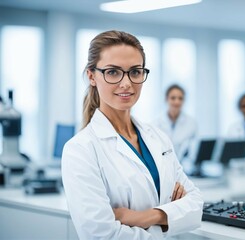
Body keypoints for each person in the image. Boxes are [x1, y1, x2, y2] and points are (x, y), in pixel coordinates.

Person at [61, 30, 203, 239]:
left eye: (135, 72)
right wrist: (169, 216)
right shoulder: (80, 150)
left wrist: (142, 217)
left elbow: (195, 206)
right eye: (113, 72)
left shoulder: (157, 137)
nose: (126, 83)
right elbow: (102, 235)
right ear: (92, 76)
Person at [155, 84, 197, 163]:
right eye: (173, 98)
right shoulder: (156, 124)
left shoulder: (191, 123)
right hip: (162, 166)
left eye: (180, 98)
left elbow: (193, 151)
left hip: (184, 167)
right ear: (166, 99)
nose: (177, 102)